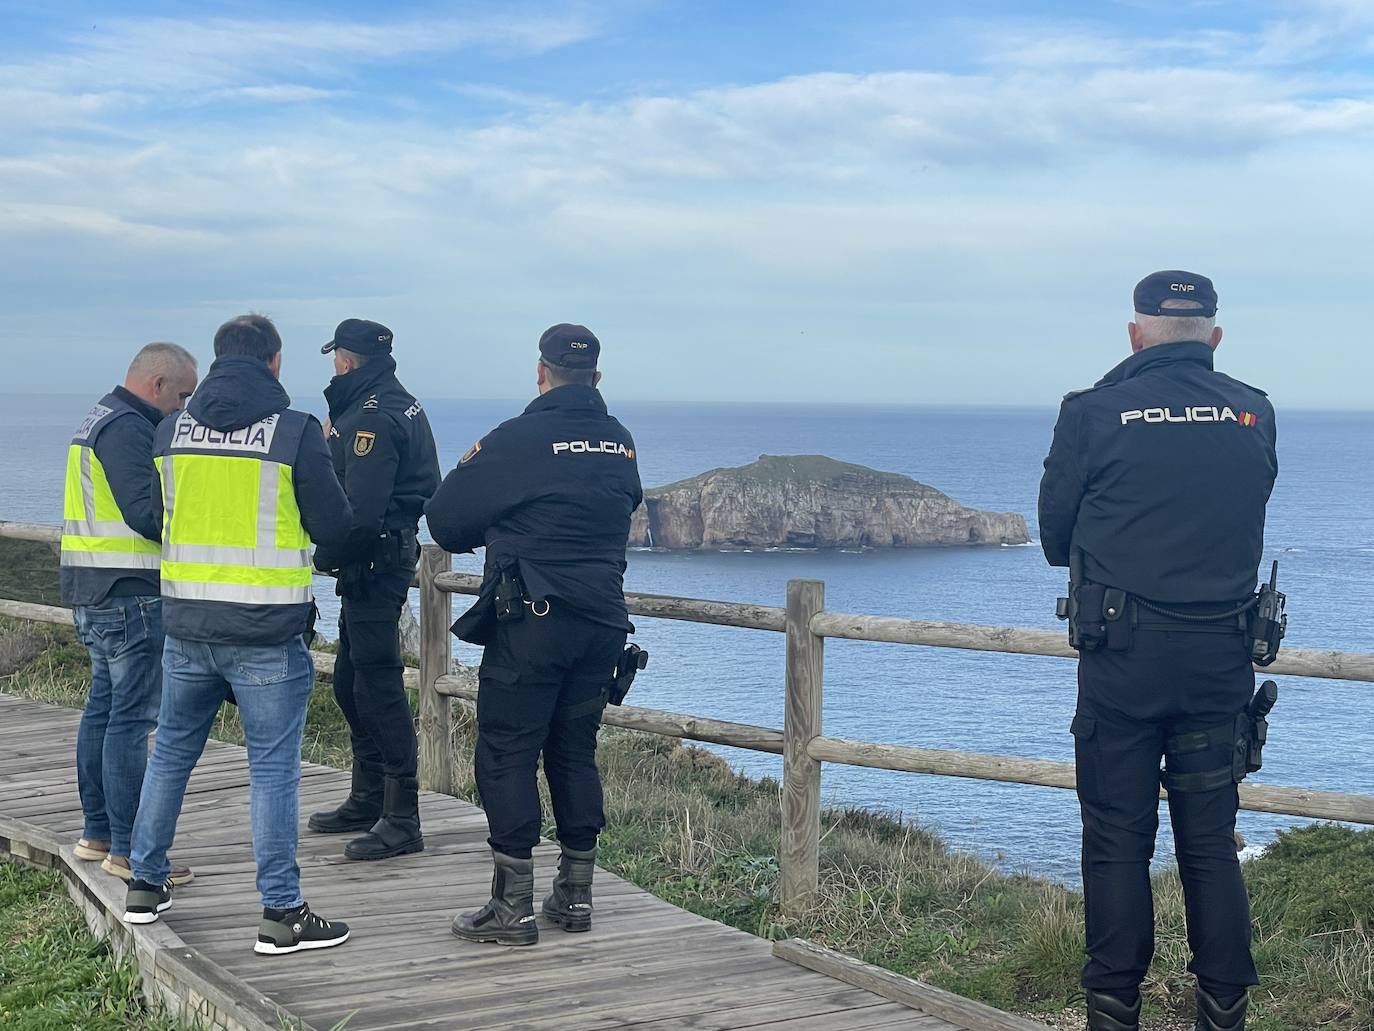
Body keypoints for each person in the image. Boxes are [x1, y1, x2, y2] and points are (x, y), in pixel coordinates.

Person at [1038, 272, 1277, 1031]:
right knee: (1210, 839)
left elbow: (1053, 537)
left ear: (1135, 333)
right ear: (1214, 336)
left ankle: (1114, 1014)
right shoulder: (1254, 413)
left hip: (1124, 662)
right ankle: (1225, 1014)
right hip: (1220, 664)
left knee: (1116, 838)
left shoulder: (1094, 412)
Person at [123, 314, 356, 957]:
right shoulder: (296, 432)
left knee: (171, 751)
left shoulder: (171, 430)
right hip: (266, 630)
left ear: (220, 360)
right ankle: (281, 915)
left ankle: (144, 885)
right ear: (275, 364)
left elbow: (151, 516)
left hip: (187, 625)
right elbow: (335, 524)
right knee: (273, 771)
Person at [426, 324, 642, 947]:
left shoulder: (519, 437)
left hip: (532, 624)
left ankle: (511, 907)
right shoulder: (619, 442)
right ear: (596, 379)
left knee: (507, 751)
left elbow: (444, 519)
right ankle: (575, 897)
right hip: (603, 623)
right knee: (574, 751)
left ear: (541, 373)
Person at [61, 343, 199, 886]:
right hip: (130, 591)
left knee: (103, 710)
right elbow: (146, 514)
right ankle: (128, 849)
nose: (184, 410)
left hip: (93, 587)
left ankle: (99, 834)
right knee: (129, 721)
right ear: (158, 384)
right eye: (183, 395)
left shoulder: (97, 418)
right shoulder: (128, 428)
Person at [308, 319, 439, 861]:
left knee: (376, 686)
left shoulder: (371, 417)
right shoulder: (396, 403)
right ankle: (366, 798)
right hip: (375, 558)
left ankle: (401, 815)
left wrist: (325, 553)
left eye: (335, 356)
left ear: (345, 359)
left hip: (373, 561)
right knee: (348, 680)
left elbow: (360, 512)